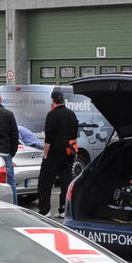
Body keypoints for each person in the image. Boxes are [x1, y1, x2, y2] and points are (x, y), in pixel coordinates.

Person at [38, 88, 79, 216]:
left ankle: (45, 210)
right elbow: (74, 134)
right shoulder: (71, 114)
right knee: (66, 180)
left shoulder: (52, 115)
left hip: (54, 153)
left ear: (52, 100)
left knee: (45, 181)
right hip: (68, 152)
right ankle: (63, 209)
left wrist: (45, 154)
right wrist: (74, 151)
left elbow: (49, 137)